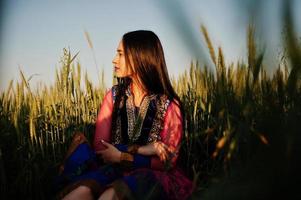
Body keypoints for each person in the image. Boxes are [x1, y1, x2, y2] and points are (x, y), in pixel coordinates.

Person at [56, 30, 193, 200]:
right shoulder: (113, 96)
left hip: (152, 176)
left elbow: (167, 161)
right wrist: (140, 150)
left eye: (120, 54)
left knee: (111, 195)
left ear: (139, 56)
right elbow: (101, 149)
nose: (114, 59)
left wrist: (121, 156)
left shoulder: (170, 104)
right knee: (80, 193)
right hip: (113, 169)